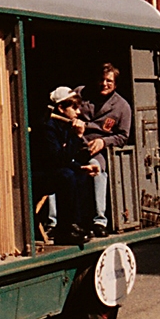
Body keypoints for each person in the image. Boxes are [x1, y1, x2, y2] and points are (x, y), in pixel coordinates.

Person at [74, 63, 132, 237]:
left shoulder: (122, 106)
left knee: (98, 171)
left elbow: (123, 136)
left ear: (116, 84)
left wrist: (103, 142)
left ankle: (99, 221)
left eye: (109, 81)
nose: (104, 84)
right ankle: (55, 222)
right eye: (102, 80)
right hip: (74, 144)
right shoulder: (80, 93)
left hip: (96, 150)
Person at [39, 87, 99, 244]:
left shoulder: (65, 126)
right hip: (39, 175)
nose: (78, 112)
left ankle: (78, 224)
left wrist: (81, 168)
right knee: (66, 177)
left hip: (55, 169)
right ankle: (65, 229)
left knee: (80, 175)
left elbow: (69, 157)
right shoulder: (48, 128)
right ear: (61, 108)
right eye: (74, 107)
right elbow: (58, 160)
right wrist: (77, 136)